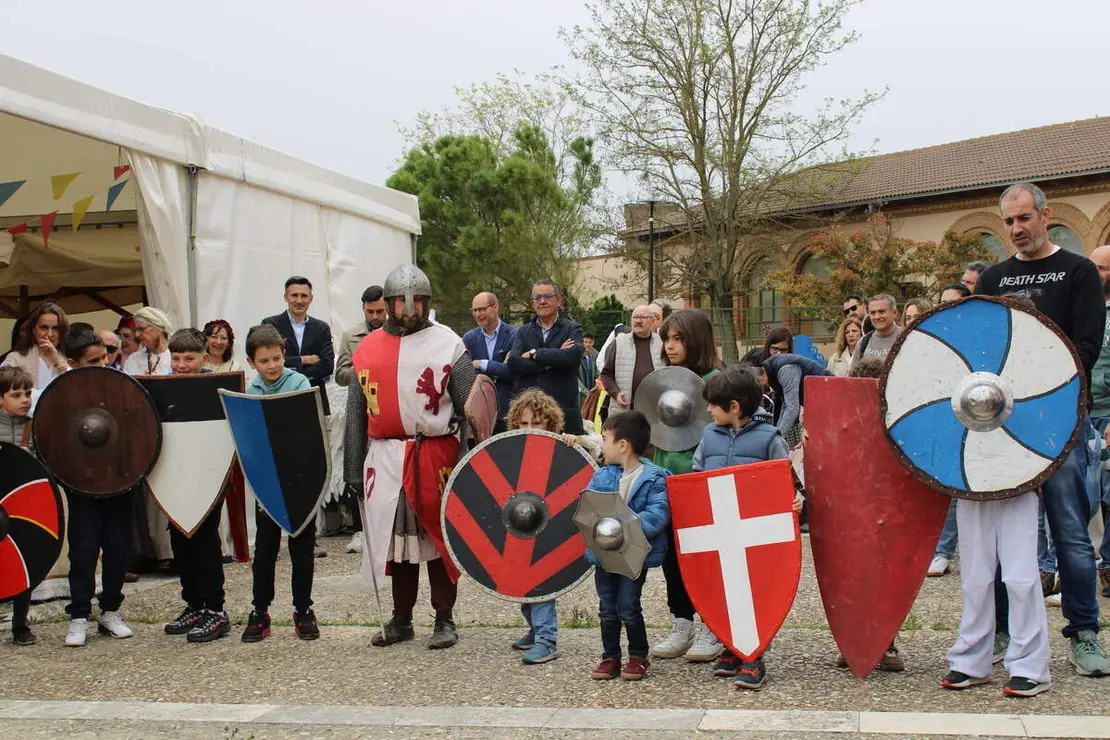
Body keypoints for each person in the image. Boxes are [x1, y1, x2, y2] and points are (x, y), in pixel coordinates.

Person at [974, 182, 1109, 680]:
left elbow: (1087, 347)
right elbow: (982, 350)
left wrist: (1037, 384)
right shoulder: (993, 276)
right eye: (1008, 221)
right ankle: (1008, 630)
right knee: (1010, 536)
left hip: (1061, 423)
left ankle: (1084, 631)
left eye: (1024, 218)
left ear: (1045, 216)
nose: (1016, 229)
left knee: (1071, 533)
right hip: (1004, 429)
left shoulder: (1077, 272)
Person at [344, 263, 476, 650]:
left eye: (417, 302)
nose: (409, 310)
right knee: (395, 542)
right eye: (401, 303)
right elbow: (356, 414)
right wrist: (353, 466)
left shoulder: (448, 343)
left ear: (427, 302)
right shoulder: (367, 349)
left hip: (436, 453)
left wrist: (473, 453)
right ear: (387, 304)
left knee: (438, 539)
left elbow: (472, 407)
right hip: (385, 458)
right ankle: (401, 618)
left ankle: (444, 618)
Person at [689, 368, 800, 689]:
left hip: (755, 535)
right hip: (721, 532)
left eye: (713, 405)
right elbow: (697, 478)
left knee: (753, 595)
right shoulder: (709, 435)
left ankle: (754, 657)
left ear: (734, 407)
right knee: (724, 591)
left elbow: (785, 481)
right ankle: (731, 647)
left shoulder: (769, 438)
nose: (709, 410)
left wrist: (793, 502)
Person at [503, 389, 601, 665]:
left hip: (551, 525)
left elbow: (598, 446)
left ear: (550, 423)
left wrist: (575, 441)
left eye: (537, 423)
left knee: (541, 581)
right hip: (520, 524)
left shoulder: (562, 444)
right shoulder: (510, 451)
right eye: (523, 424)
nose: (530, 429)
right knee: (521, 581)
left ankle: (547, 639)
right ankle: (535, 630)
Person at [650, 309, 725, 662]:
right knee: (672, 558)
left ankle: (713, 625)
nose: (671, 345)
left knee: (705, 557)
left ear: (697, 340)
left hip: (702, 482)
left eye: (679, 338)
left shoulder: (716, 382)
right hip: (668, 479)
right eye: (667, 338)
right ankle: (682, 622)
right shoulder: (664, 380)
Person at [240, 324, 319, 643]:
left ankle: (303, 609)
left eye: (276, 358)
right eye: (264, 361)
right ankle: (260, 610)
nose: (272, 366)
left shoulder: (299, 383)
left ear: (284, 355)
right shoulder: (251, 393)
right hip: (268, 481)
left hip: (300, 478)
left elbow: (307, 432)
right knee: (265, 550)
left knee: (301, 549)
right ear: (252, 363)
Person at [60, 329, 135, 647]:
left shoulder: (121, 386)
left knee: (118, 549)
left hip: (119, 479)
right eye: (93, 360)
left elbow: (137, 428)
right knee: (83, 550)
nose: (103, 362)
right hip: (83, 484)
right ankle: (79, 616)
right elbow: (55, 438)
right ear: (72, 363)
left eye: (105, 355)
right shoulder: (62, 394)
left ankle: (111, 611)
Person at [587, 411, 671, 681]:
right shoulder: (602, 476)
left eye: (605, 439)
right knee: (607, 608)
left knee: (628, 606)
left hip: (634, 555)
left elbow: (658, 514)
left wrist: (625, 525)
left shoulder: (653, 478)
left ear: (622, 445)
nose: (602, 445)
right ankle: (610, 657)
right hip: (605, 555)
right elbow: (589, 508)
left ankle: (637, 656)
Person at [158, 329, 230, 644]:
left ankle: (215, 609)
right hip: (172, 475)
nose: (182, 365)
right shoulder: (161, 388)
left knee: (204, 541)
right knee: (179, 539)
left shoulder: (214, 387)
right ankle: (194, 604)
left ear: (203, 357)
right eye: (176, 358)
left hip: (207, 475)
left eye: (189, 358)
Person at [122, 307, 175, 571]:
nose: (139, 335)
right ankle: (150, 551)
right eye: (137, 330)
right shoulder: (133, 361)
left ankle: (170, 551)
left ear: (158, 328)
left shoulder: (173, 356)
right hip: (143, 432)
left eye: (143, 329)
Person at [508, 280, 586, 434]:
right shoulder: (523, 331)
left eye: (547, 296)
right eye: (537, 298)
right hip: (529, 416)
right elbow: (513, 363)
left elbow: (573, 356)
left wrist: (534, 354)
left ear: (559, 300)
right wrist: (552, 360)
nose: (542, 301)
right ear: (532, 304)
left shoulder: (572, 328)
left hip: (564, 413)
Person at [0, 366, 37, 645]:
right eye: (16, 394)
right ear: (1, 399)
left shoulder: (34, 426)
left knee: (25, 563)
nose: (24, 399)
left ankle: (20, 624)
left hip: (25, 507)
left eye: (27, 393)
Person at [262, 276, 335, 415]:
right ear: (286, 297)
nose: (299, 301)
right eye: (294, 295)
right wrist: (303, 360)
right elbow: (269, 361)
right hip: (280, 395)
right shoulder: (270, 325)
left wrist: (288, 366)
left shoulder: (322, 328)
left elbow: (327, 366)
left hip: (314, 398)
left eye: (304, 296)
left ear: (311, 299)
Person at [1086, 244, 1110, 599]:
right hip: (1080, 413)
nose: (1095, 274)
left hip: (1108, 414)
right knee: (1083, 496)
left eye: (1102, 268)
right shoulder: (1084, 310)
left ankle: (1107, 566)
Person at [462, 291, 517, 434]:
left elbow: (512, 371)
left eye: (482, 309)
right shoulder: (469, 339)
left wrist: (481, 364)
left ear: (495, 307)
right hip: (480, 414)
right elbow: (467, 373)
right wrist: (500, 368)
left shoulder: (514, 335)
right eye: (474, 310)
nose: (478, 314)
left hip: (508, 410)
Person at [599, 305, 662, 415]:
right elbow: (606, 374)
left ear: (652, 322)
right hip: (623, 410)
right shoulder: (618, 342)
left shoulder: (662, 344)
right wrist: (616, 393)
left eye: (643, 317)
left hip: (655, 411)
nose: (638, 321)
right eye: (635, 317)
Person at [2, 302, 69, 388]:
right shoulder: (15, 359)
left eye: (55, 328)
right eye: (44, 327)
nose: (50, 334)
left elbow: (78, 385)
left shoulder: (70, 357)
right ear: (34, 330)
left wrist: (58, 361)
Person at [335, 286, 387, 387]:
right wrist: (361, 369)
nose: (375, 316)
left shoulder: (399, 334)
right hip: (362, 399)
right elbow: (340, 377)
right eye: (370, 312)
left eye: (380, 311)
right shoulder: (349, 336)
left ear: (388, 308)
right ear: (363, 308)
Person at [850, 295, 901, 369]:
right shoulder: (863, 342)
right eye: (873, 313)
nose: (877, 317)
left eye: (882, 312)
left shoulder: (907, 337)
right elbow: (853, 377)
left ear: (895, 313)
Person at [579, 332, 600, 407]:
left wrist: (596, 386)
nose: (587, 344)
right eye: (585, 342)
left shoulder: (597, 355)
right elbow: (573, 376)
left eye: (590, 342)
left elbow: (599, 372)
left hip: (593, 393)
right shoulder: (575, 355)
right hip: (579, 393)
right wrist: (585, 392)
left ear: (593, 343)